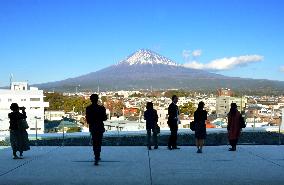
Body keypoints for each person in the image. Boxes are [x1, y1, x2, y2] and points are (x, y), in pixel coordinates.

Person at [86, 94, 107, 165]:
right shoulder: (102, 108)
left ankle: (96, 156)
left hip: (92, 127)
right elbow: (104, 118)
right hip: (100, 126)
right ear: (97, 99)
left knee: (94, 142)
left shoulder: (88, 108)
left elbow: (88, 120)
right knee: (99, 142)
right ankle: (98, 155)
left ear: (91, 99)